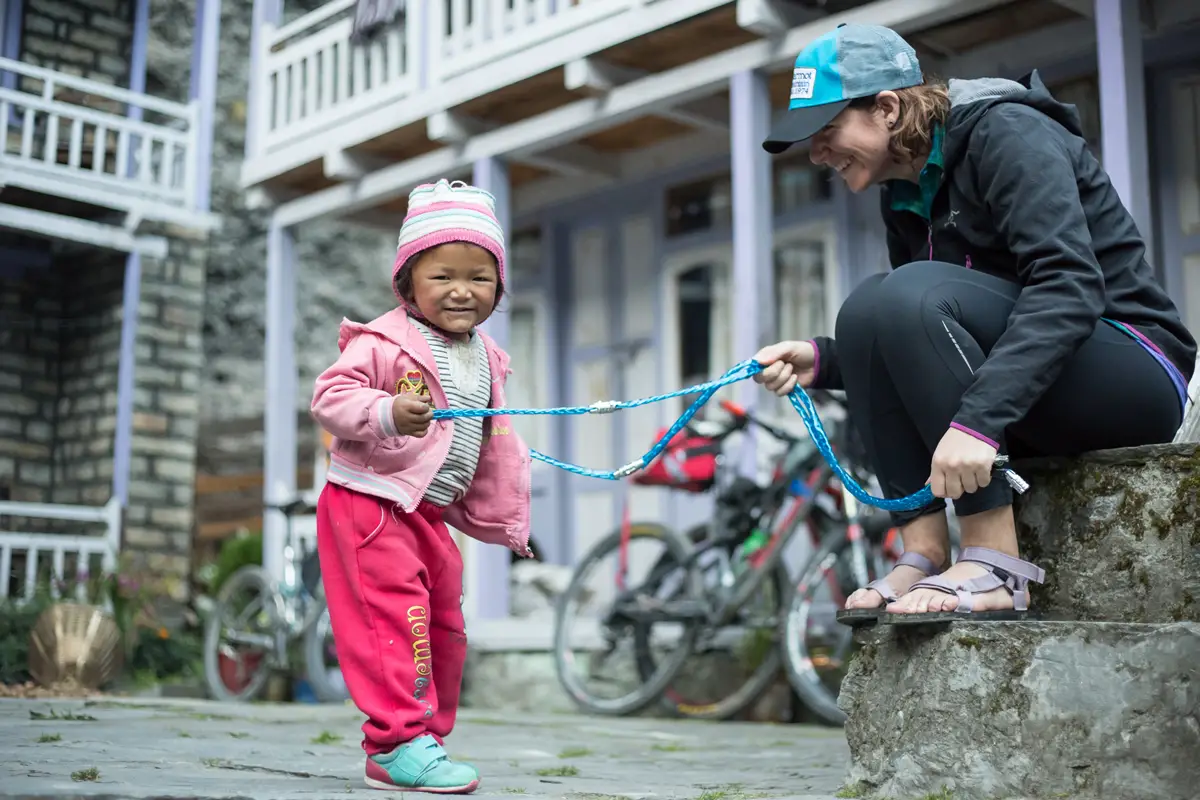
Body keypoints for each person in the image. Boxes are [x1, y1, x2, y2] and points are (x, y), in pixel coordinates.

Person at [753, 23, 1196, 624]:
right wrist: (826, 361)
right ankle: (925, 550)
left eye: (827, 132)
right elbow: (920, 334)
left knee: (907, 290)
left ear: (887, 108)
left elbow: (1067, 286)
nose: (816, 154)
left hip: (1135, 373)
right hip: (1042, 391)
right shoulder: (903, 189)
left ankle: (996, 565)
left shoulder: (1007, 132)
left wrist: (979, 422)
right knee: (865, 311)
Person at [311, 178, 533, 793]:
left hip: (429, 512)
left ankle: (418, 739)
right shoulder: (383, 342)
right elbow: (330, 397)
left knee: (444, 626)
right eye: (443, 276)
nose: (463, 290)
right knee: (396, 620)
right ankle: (397, 738)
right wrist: (383, 411)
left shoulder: (485, 354)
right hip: (372, 503)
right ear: (407, 282)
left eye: (480, 276)